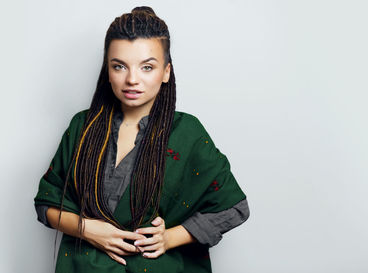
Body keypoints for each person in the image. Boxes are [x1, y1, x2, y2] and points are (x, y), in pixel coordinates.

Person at [34, 6, 250, 273]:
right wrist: (88, 229)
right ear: (107, 71)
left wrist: (170, 237)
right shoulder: (82, 126)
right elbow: (46, 202)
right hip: (84, 266)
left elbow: (233, 207)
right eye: (119, 66)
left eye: (147, 67)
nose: (132, 79)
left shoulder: (187, 132)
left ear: (166, 72)